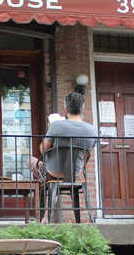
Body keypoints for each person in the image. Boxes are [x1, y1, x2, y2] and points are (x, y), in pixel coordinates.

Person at [27, 91, 98, 222]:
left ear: (65, 110)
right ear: (82, 109)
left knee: (31, 161)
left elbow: (43, 149)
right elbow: (87, 154)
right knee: (53, 179)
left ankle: (46, 213)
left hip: (53, 173)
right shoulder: (92, 130)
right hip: (74, 175)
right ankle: (52, 197)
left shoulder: (56, 125)